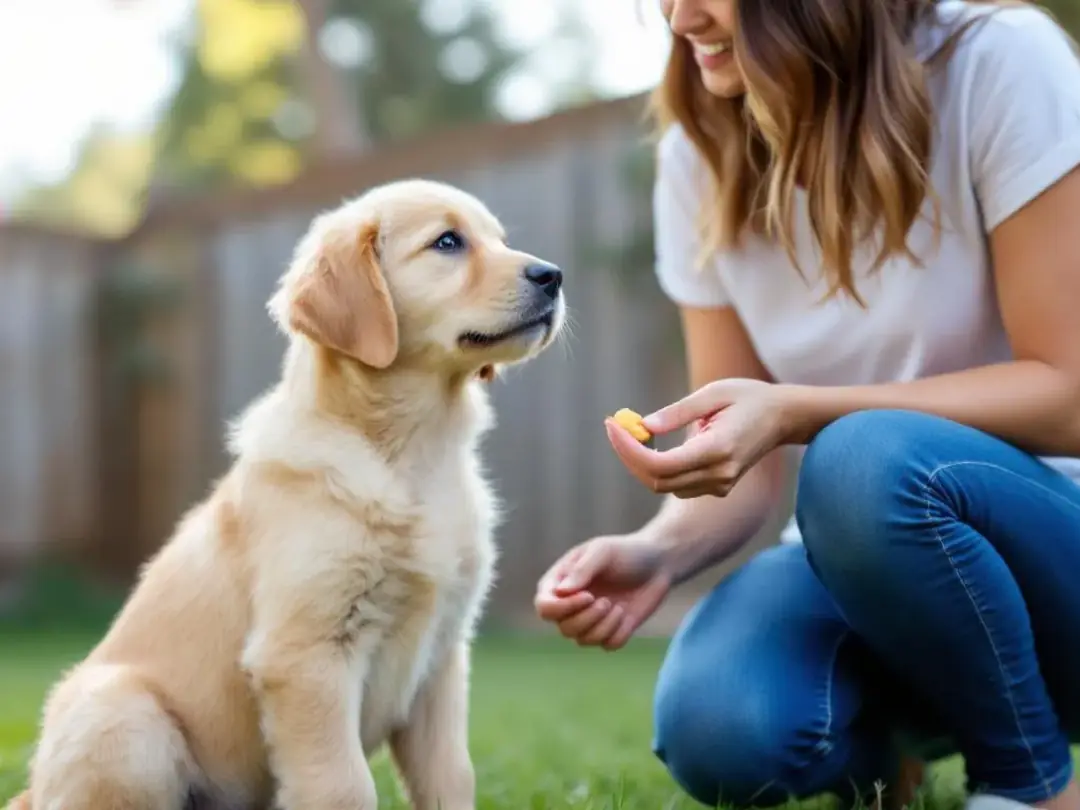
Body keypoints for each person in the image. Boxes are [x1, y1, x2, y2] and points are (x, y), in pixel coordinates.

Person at [533, 1, 1080, 809]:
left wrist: (797, 411)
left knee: (860, 459)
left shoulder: (998, 59)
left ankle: (1030, 783)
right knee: (719, 729)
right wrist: (658, 552)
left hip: (1051, 552)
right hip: (860, 553)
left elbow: (1066, 393)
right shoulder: (700, 149)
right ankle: (893, 749)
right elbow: (746, 456)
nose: (680, 18)